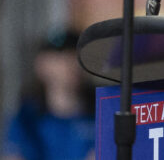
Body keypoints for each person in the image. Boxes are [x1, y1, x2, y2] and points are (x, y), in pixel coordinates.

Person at [1, 29, 95, 160]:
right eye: (60, 57)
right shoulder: (26, 117)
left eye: (75, 55)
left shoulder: (102, 112)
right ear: (41, 65)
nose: (70, 63)